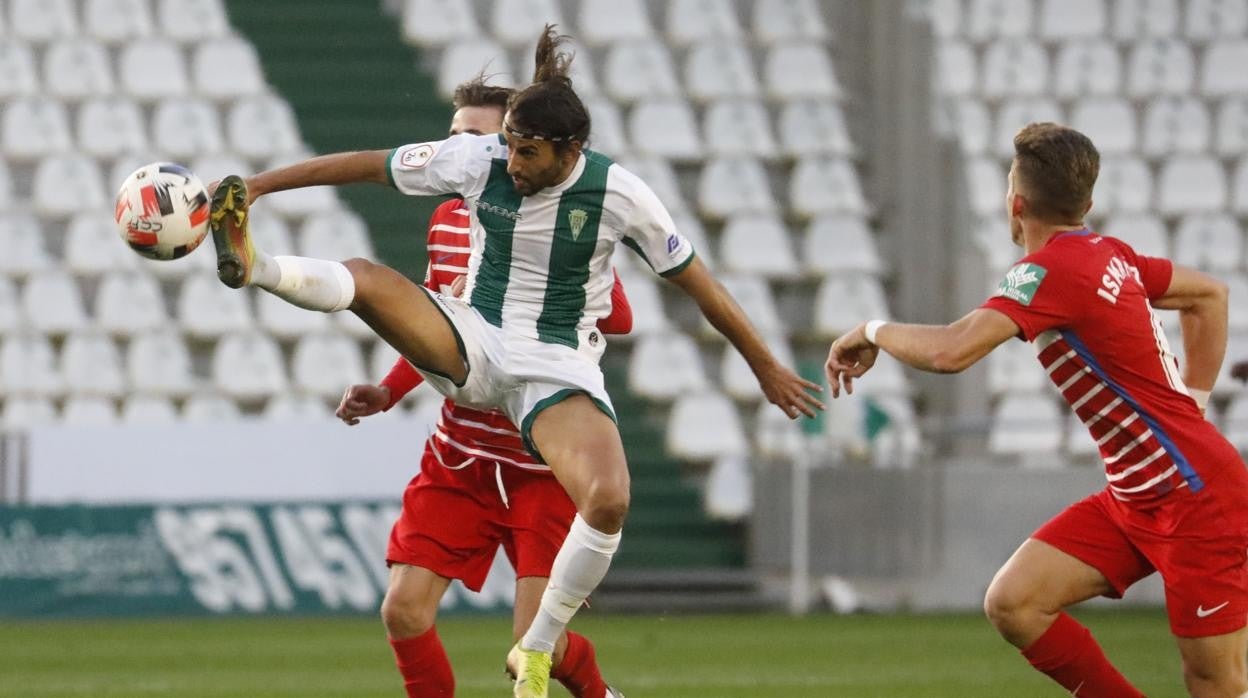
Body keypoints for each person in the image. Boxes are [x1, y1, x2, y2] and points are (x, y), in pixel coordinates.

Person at [207, 25, 822, 698]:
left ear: (570, 150)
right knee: (367, 279)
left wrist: (764, 365)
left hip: (553, 372)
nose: (513, 164)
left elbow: (699, 286)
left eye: (526, 152)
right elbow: (365, 163)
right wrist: (258, 188)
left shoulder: (622, 195)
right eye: (508, 147)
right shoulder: (480, 163)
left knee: (610, 497)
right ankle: (255, 266)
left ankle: (536, 650)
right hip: (476, 348)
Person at [825, 122, 1247, 697]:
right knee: (1015, 602)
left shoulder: (1046, 271)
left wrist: (871, 330)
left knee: (1215, 682)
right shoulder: (1108, 253)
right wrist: (1192, 405)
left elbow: (952, 351)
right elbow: (1210, 295)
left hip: (1197, 500)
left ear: (1016, 204)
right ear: (1087, 204)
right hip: (1135, 500)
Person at [335, 75, 629, 698]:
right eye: (453, 136)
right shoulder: (445, 221)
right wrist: (389, 391)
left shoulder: (558, 226)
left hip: (538, 462)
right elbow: (440, 329)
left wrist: (578, 281)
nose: (458, 150)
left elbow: (619, 317)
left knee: (531, 648)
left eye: (477, 137)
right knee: (403, 610)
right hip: (462, 454)